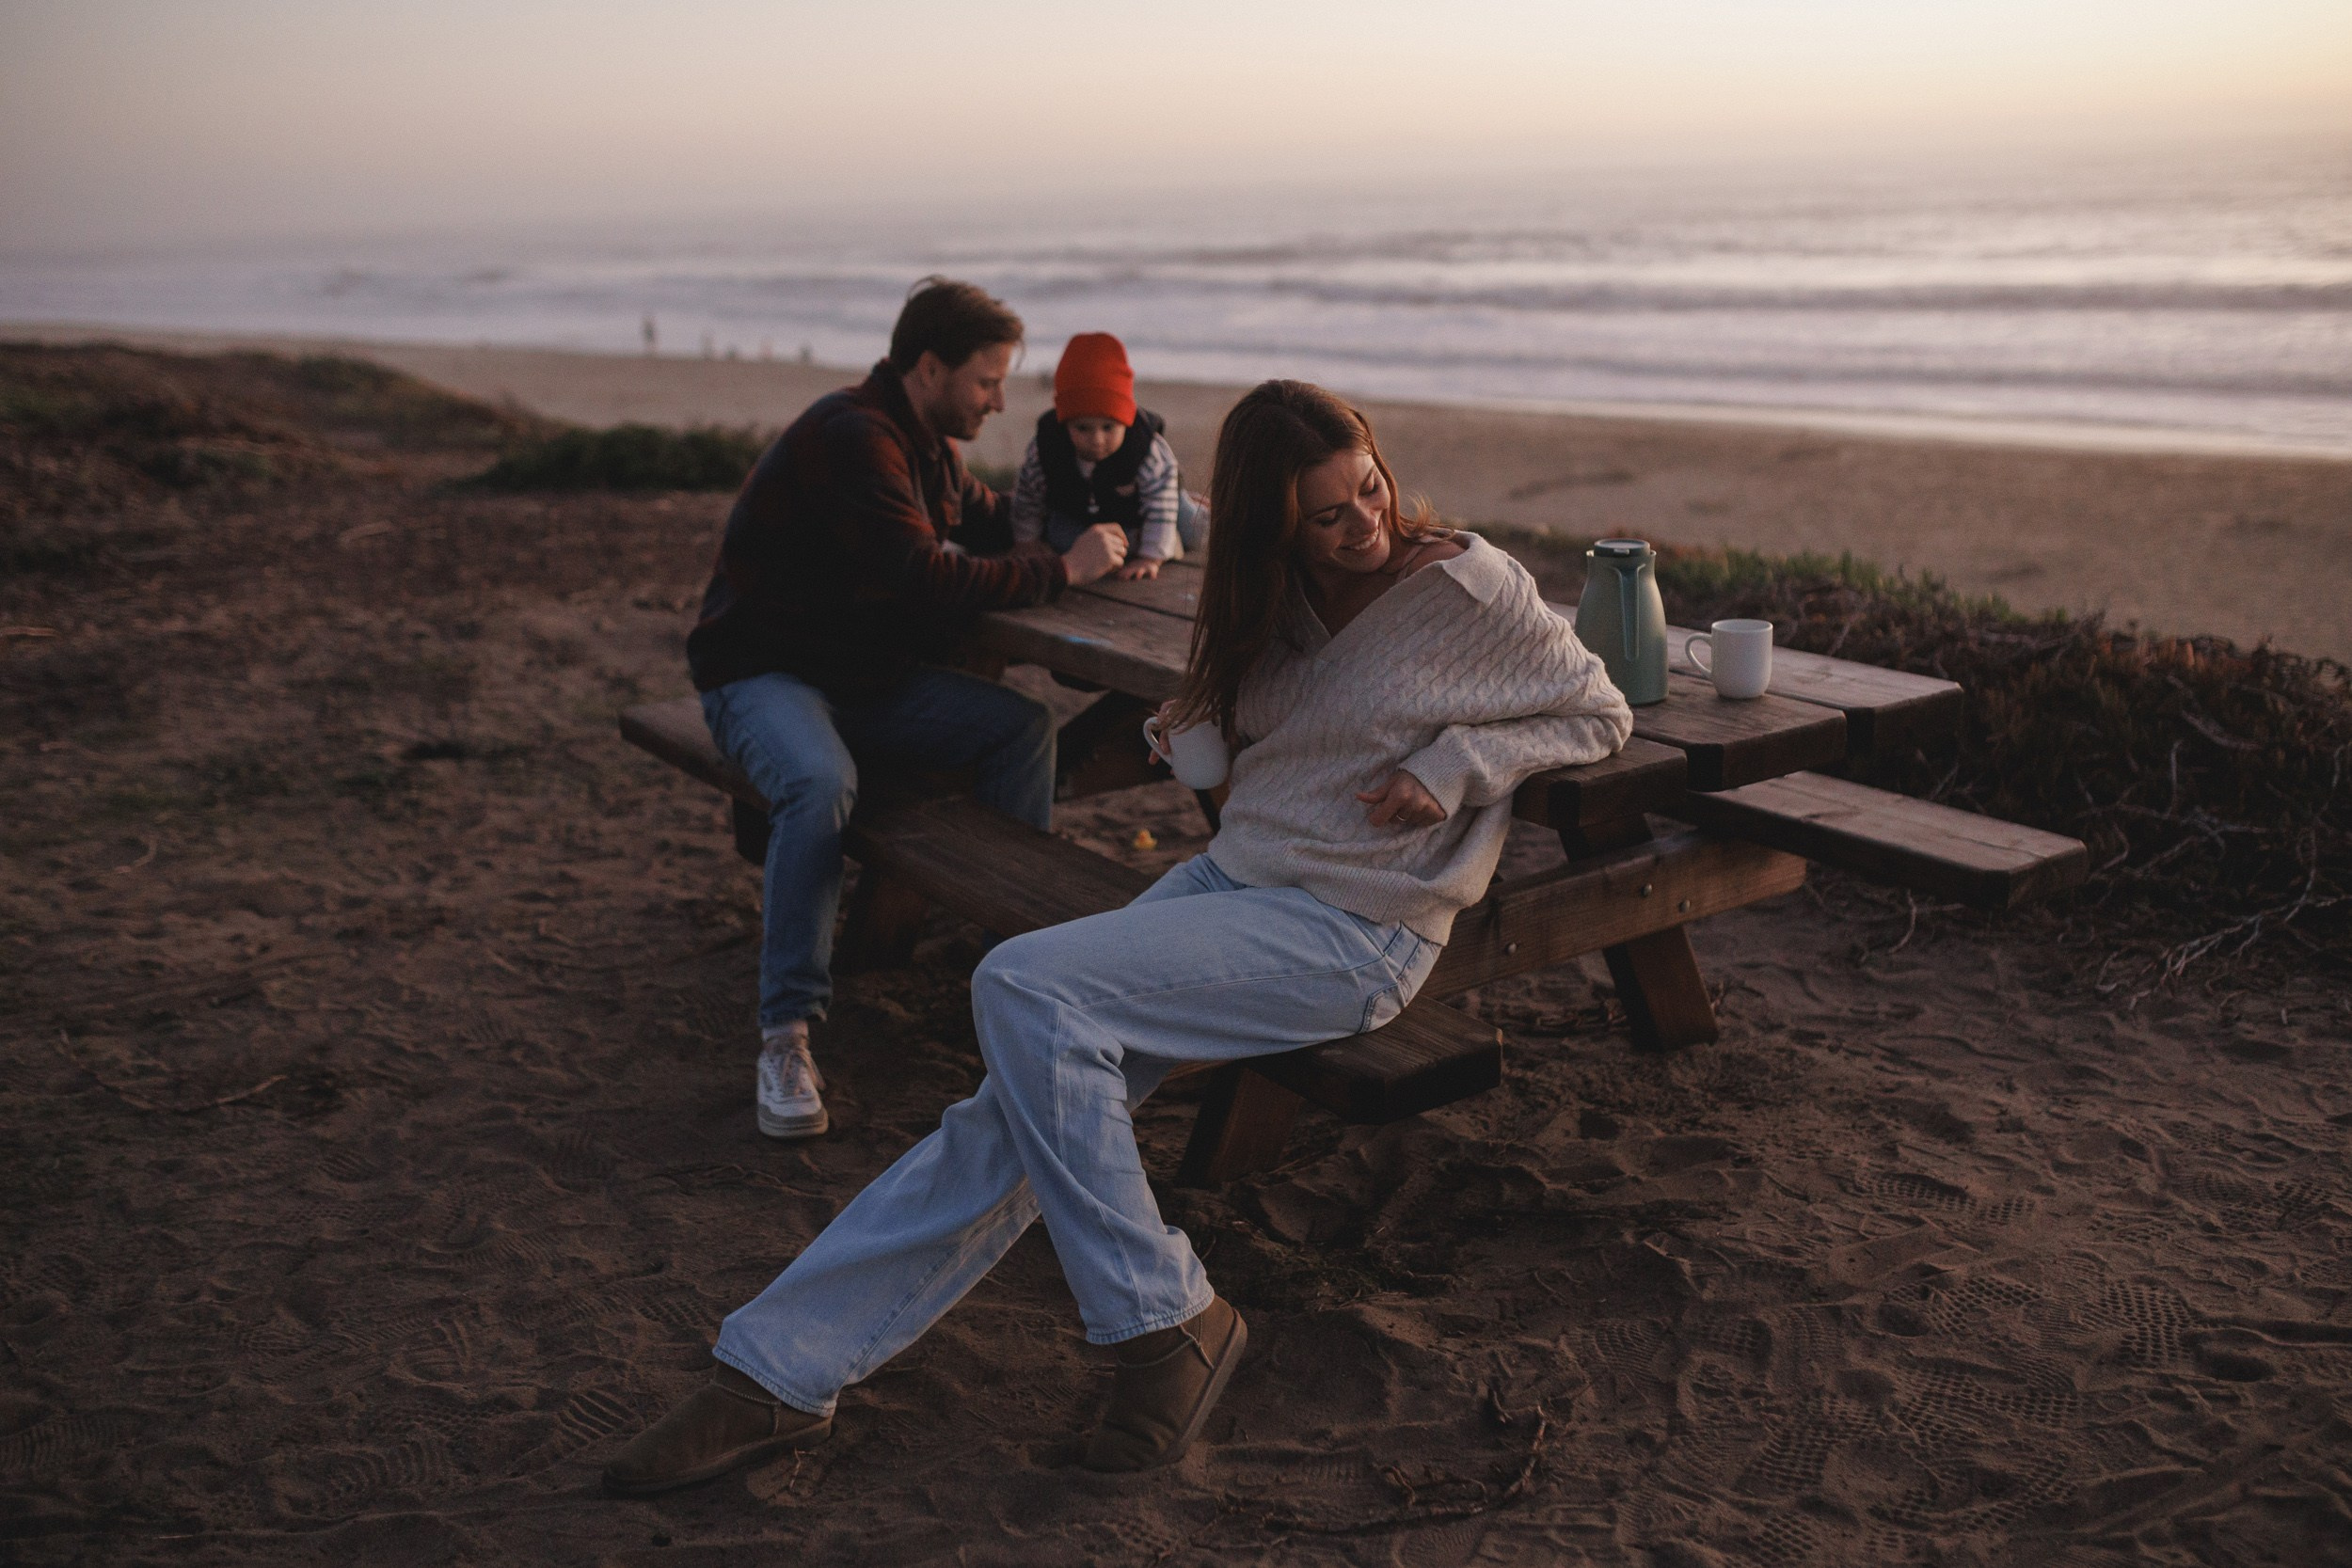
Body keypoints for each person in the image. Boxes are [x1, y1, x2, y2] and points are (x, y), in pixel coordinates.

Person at [607, 380, 1632, 1494]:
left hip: (1355, 926)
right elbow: (1274, 753)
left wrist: (1454, 767)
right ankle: (773, 1372)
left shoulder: (1467, 586)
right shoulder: (1271, 595)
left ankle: (1163, 1321)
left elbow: (1596, 708)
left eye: (1369, 489)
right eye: (1327, 512)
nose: (1362, 524)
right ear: (1269, 521)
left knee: (1023, 989)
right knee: (1006, 1110)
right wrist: (1195, 726)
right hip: (1233, 880)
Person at [685, 277, 1131, 1142]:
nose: (1001, 402)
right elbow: (925, 579)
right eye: (987, 381)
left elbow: (990, 520)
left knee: (1020, 727)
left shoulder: (921, 443)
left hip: (859, 677)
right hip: (763, 673)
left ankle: (1009, 967)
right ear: (930, 368)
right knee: (820, 784)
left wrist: (1121, 521)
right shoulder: (857, 437)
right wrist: (1065, 570)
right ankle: (785, 1036)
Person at [1010, 332, 1206, 579]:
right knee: (1059, 534)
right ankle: (1134, 542)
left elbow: (1160, 503)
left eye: (1108, 427)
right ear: (1065, 423)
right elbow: (1028, 498)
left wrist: (1150, 557)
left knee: (1195, 530)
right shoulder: (1046, 448)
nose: (1097, 439)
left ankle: (1187, 525)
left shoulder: (1147, 450)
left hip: (1154, 507)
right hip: (1085, 514)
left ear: (1126, 421)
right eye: (1083, 428)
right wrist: (1025, 541)